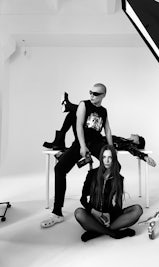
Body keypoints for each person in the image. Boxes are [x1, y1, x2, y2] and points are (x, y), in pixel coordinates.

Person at [41, 83, 113, 228]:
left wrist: (111, 149)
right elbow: (79, 125)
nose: (92, 95)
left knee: (114, 166)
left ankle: (102, 207)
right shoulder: (83, 104)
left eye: (96, 94)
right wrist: (82, 146)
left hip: (97, 142)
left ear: (103, 95)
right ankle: (57, 212)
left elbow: (108, 130)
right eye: (90, 92)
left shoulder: (104, 111)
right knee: (59, 169)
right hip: (81, 142)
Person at [43, 93, 156, 167]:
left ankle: (68, 107)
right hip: (92, 138)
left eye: (138, 136)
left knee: (78, 113)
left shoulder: (127, 144)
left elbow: (133, 151)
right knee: (75, 114)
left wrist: (144, 157)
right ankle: (60, 141)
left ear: (137, 142)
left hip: (96, 143)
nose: (136, 134)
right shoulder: (124, 140)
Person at [74, 144, 143, 242]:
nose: (107, 160)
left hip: (109, 218)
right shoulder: (92, 174)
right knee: (79, 213)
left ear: (114, 159)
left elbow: (119, 205)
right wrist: (94, 212)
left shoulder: (119, 179)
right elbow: (83, 199)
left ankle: (96, 231)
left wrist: (109, 216)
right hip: (93, 215)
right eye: (104, 157)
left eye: (110, 157)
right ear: (101, 158)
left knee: (137, 210)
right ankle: (113, 233)